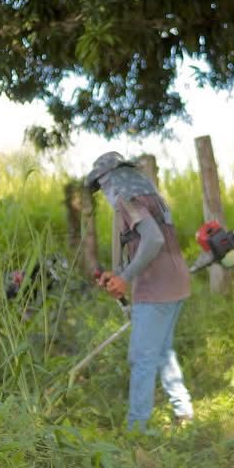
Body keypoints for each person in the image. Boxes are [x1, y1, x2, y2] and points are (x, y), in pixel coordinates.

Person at [85, 151, 194, 431]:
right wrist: (118, 275)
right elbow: (145, 241)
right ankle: (184, 412)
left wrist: (126, 277)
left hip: (156, 289)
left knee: (142, 357)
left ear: (113, 179)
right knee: (162, 352)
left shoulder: (128, 199)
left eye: (103, 184)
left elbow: (153, 240)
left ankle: (137, 431)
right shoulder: (152, 198)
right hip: (176, 284)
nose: (104, 192)